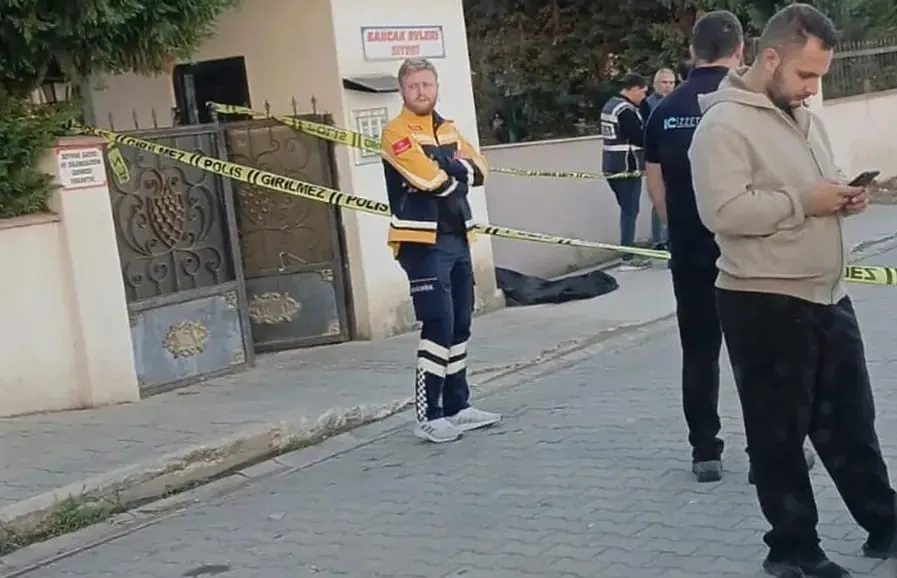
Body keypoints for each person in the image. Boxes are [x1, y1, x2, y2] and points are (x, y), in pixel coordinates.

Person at [689, 4, 897, 576]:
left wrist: (842, 199)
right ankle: (793, 551)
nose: (812, 88)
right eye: (806, 74)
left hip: (827, 295)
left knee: (852, 422)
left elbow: (811, 191)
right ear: (771, 58)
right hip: (763, 300)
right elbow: (722, 212)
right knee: (778, 435)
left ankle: (885, 523)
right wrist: (805, 202)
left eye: (820, 76)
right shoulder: (723, 126)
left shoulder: (805, 119)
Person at [645, 10, 817, 485]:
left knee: (699, 351)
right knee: (760, 354)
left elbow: (655, 189)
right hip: (748, 251)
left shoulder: (662, 111)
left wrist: (683, 227)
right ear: (741, 50)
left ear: (691, 51)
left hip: (690, 251)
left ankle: (705, 452)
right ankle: (770, 452)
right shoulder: (751, 105)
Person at [380, 58, 502, 443]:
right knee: (438, 325)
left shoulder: (448, 127)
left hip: (457, 236)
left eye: (427, 84)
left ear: (436, 87)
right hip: (421, 242)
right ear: (402, 91)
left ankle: (457, 406)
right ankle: (428, 415)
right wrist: (455, 171)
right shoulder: (396, 132)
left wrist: (448, 166)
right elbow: (429, 180)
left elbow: (481, 169)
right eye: (413, 85)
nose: (421, 91)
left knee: (461, 324)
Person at [600, 73, 649, 270]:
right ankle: (627, 257)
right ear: (634, 89)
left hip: (611, 165)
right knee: (630, 212)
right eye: (643, 92)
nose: (644, 97)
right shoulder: (625, 110)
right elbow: (639, 137)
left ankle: (628, 252)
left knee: (627, 211)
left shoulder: (611, 105)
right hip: (626, 167)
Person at [641, 67, 676, 250]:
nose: (668, 86)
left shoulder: (677, 102)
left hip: (674, 156)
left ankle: (671, 237)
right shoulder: (648, 105)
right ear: (655, 85)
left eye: (671, 83)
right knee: (658, 198)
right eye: (664, 82)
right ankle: (659, 240)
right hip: (657, 157)